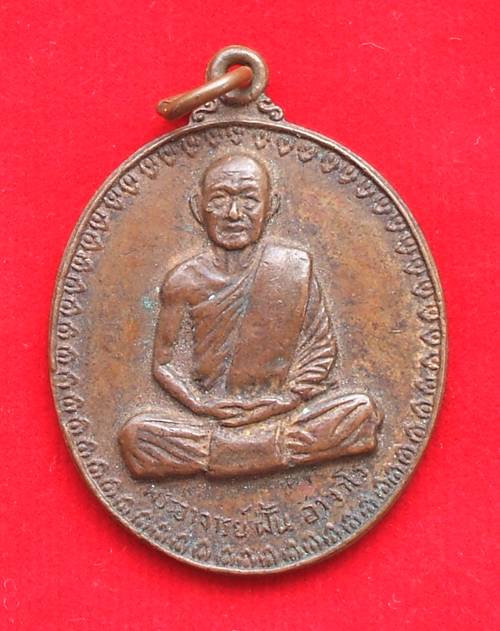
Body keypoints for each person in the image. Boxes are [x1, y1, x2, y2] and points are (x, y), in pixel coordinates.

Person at [119, 154, 382, 478]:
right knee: (136, 435)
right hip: (211, 420)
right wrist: (201, 404)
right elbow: (164, 363)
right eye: (219, 199)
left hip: (281, 412)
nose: (233, 213)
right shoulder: (183, 280)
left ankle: (224, 455)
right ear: (197, 208)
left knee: (360, 410)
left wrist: (284, 400)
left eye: (249, 200)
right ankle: (275, 450)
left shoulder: (293, 267)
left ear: (270, 207)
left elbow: (321, 350)